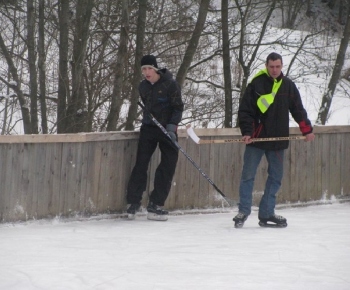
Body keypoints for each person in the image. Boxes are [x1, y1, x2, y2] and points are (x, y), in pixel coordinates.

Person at [233, 52, 315, 228]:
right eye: (271, 67)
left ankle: (267, 213)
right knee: (248, 176)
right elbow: (245, 111)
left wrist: (307, 130)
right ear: (266, 66)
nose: (275, 70)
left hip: (278, 141)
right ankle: (243, 211)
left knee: (276, 177)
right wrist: (247, 132)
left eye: (278, 66)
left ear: (282, 66)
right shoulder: (256, 84)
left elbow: (298, 110)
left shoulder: (288, 86)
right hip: (256, 140)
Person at [126, 55, 184, 221]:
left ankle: (156, 204)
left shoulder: (170, 84)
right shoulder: (143, 87)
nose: (146, 72)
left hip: (167, 129)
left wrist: (172, 127)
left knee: (168, 165)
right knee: (141, 163)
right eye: (143, 69)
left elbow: (178, 108)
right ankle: (133, 201)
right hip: (149, 128)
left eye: (149, 68)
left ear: (156, 69)